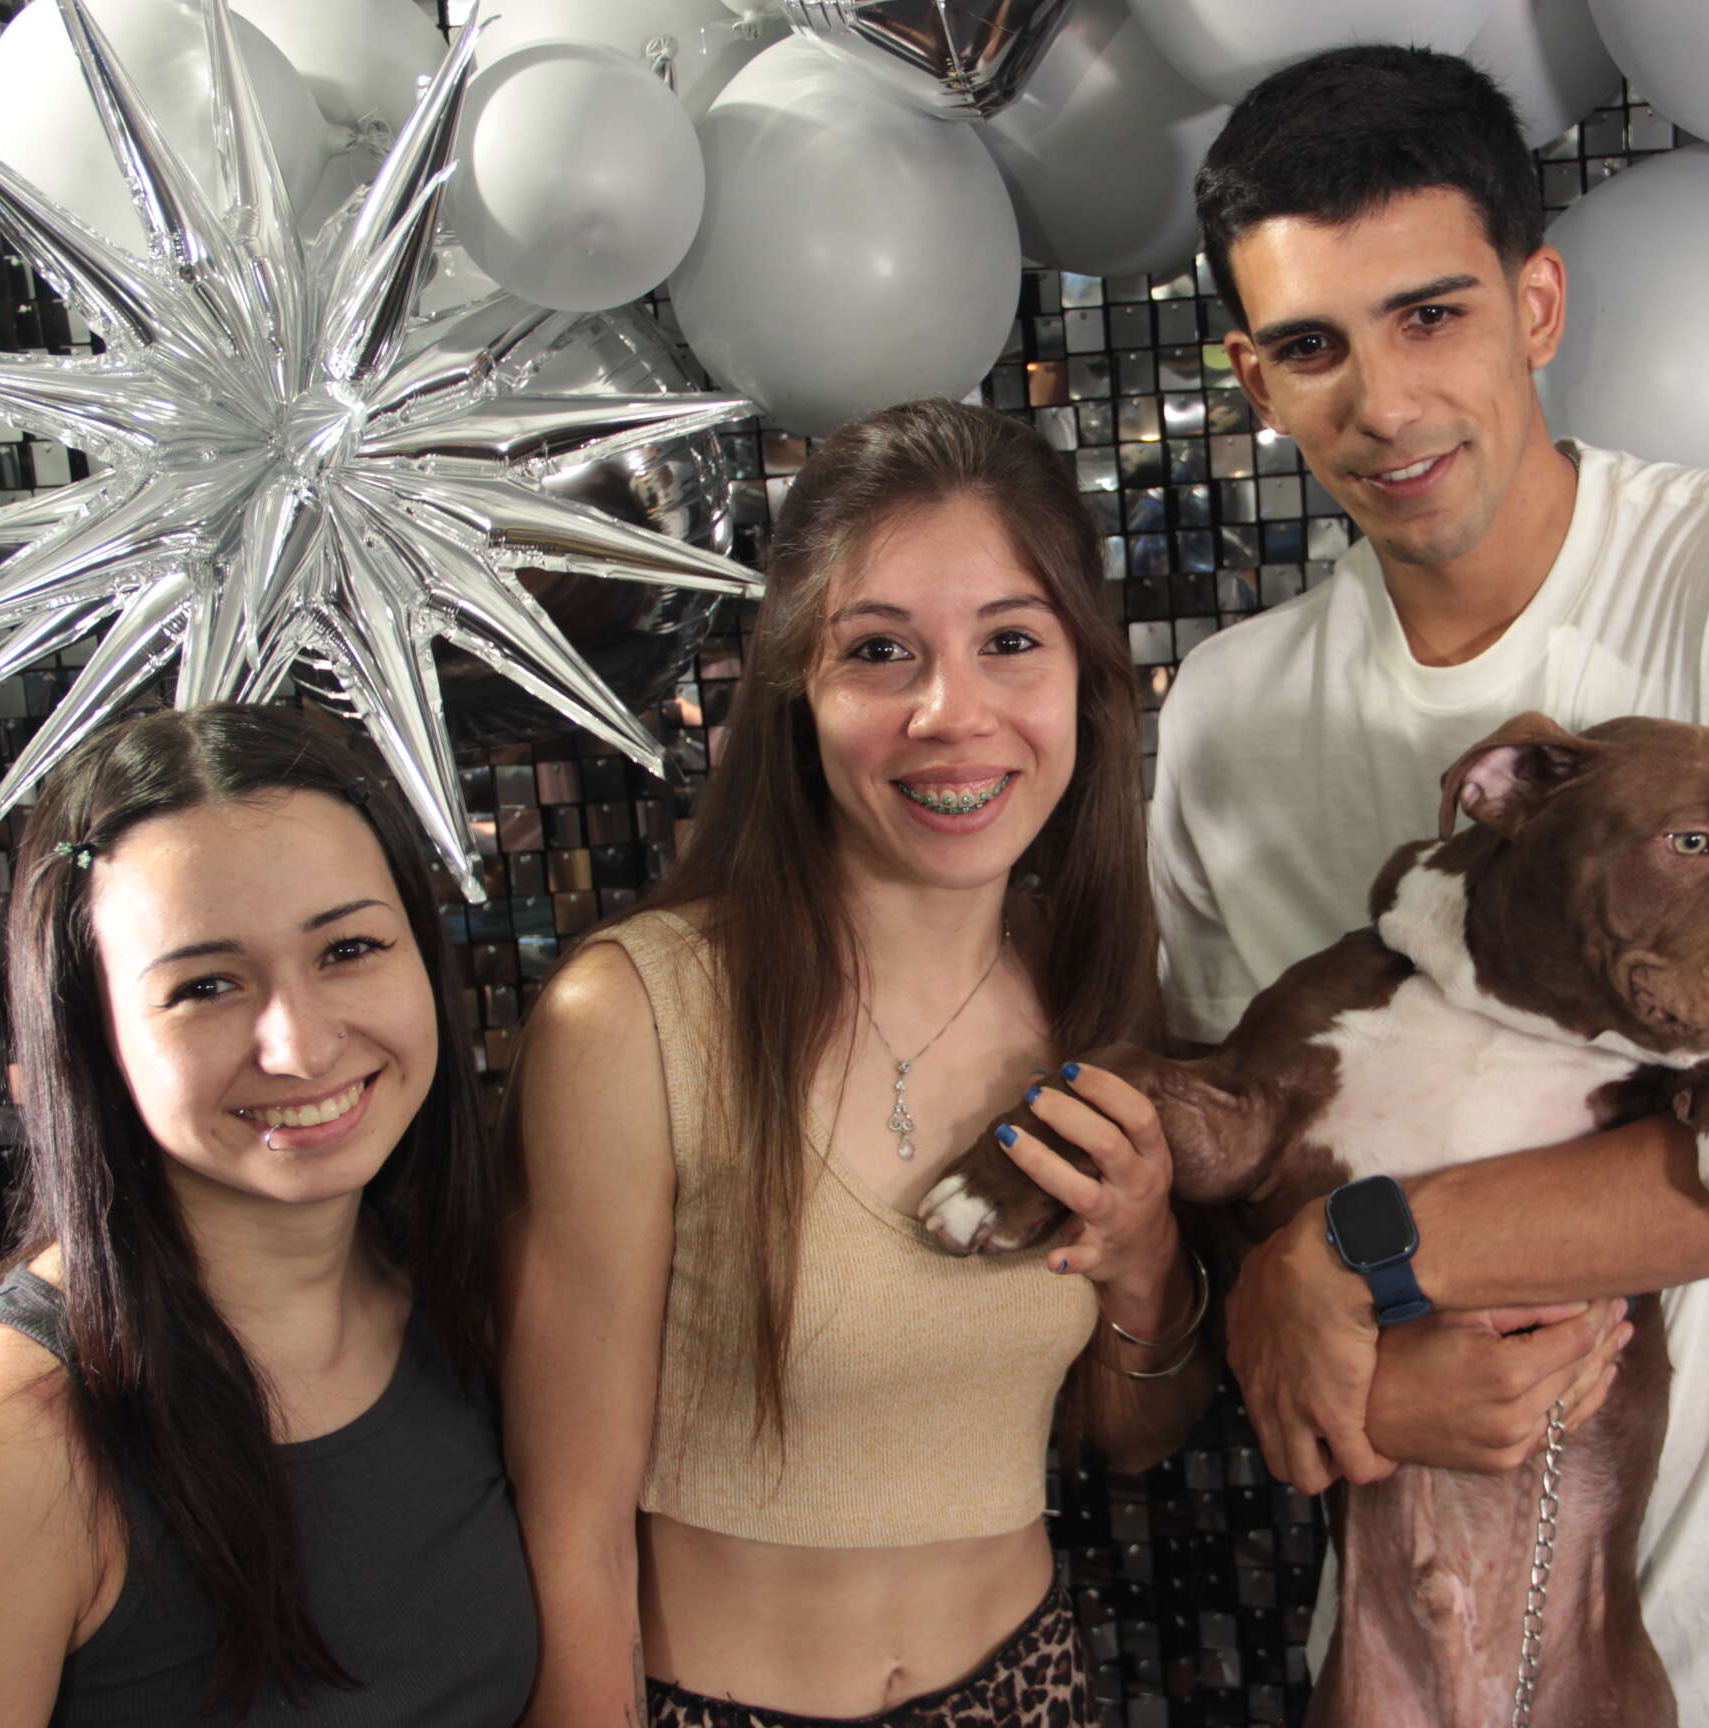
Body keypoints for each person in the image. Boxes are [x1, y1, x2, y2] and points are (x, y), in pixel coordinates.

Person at [1159, 45, 1709, 1728]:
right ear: (1252, 378)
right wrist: (1323, 1320)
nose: (1384, 404)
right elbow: (1233, 1166)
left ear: (1536, 305)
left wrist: (1354, 1256)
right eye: (1313, 347)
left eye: (1431, 315)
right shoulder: (1227, 714)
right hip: (1410, 1647)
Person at [504, 398, 1212, 1728]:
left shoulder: (1097, 997)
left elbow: (1133, 1439)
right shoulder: (636, 1017)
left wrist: (1147, 1260)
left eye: (1011, 642)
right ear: (800, 692)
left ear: (1083, 677)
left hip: (1030, 1692)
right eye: (881, 652)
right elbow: (570, 1531)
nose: (954, 712)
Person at [0, 704, 535, 1725]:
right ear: (93, 1037)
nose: (301, 1046)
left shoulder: (471, 1304)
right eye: (206, 985)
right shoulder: (2, 1440)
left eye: (348, 949)